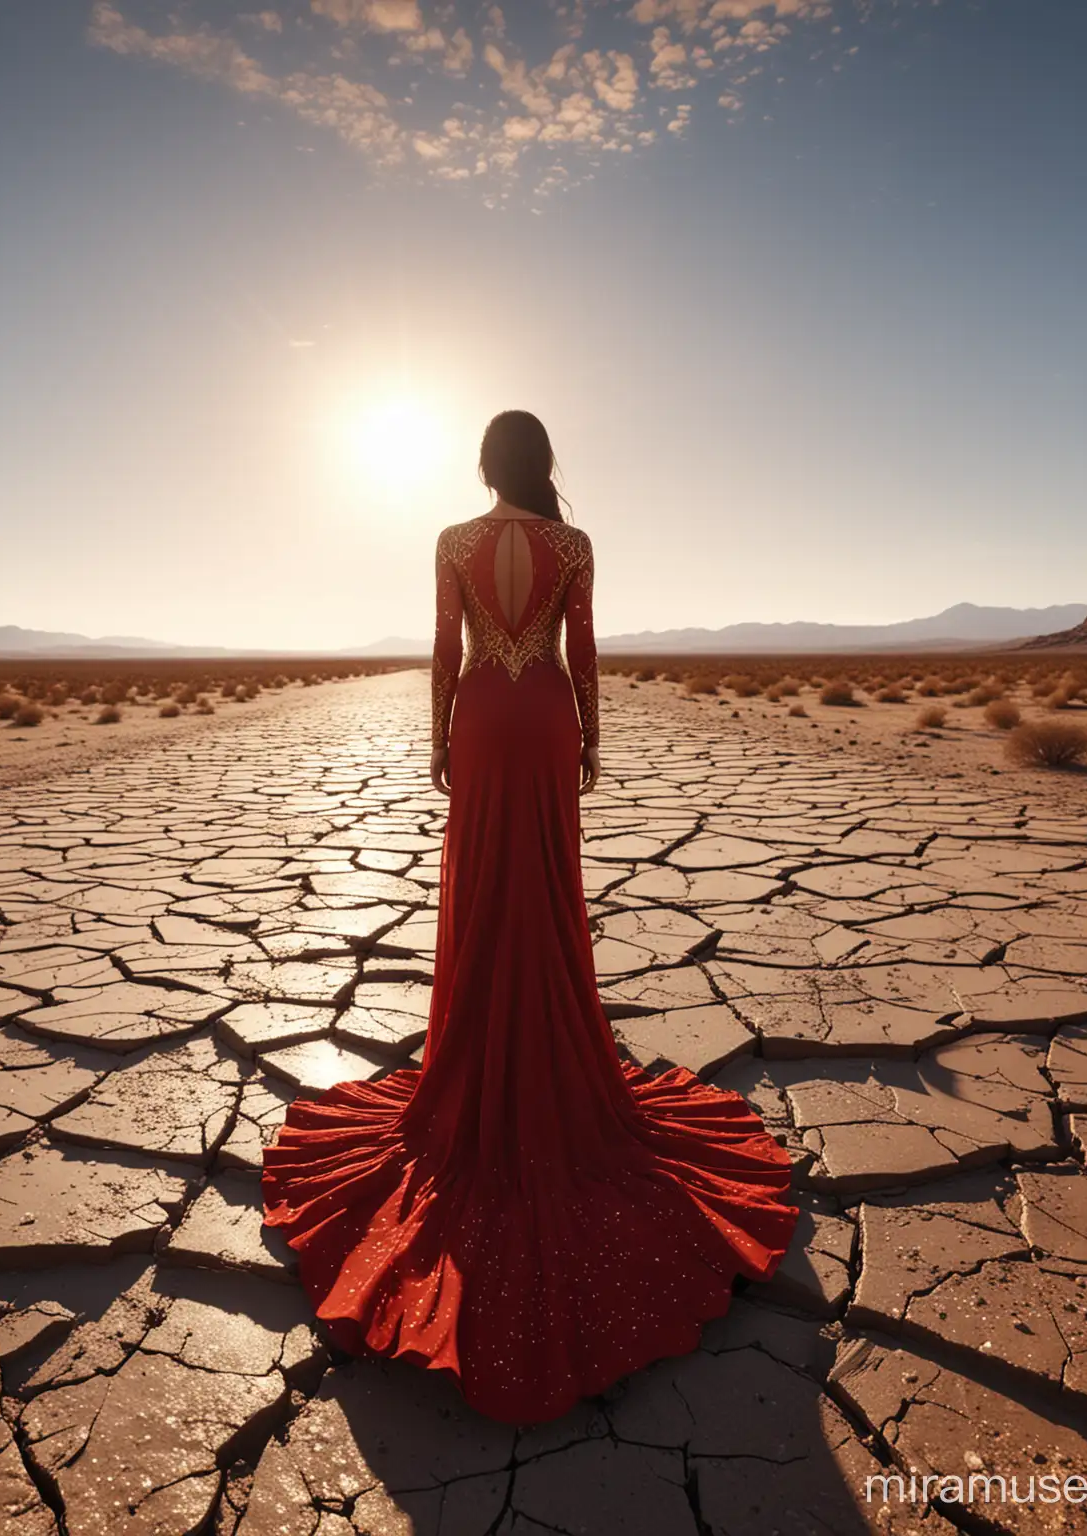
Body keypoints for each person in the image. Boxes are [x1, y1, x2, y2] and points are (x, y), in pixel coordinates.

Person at [262, 410, 796, 1424]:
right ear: (542, 464)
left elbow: (442, 644)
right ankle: (551, 1048)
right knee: (546, 887)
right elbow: (581, 644)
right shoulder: (572, 545)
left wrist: (435, 737)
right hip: (544, 714)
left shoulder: (455, 541)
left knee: (482, 891)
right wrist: (591, 737)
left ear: (484, 465)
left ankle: (475, 1055)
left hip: (482, 717)